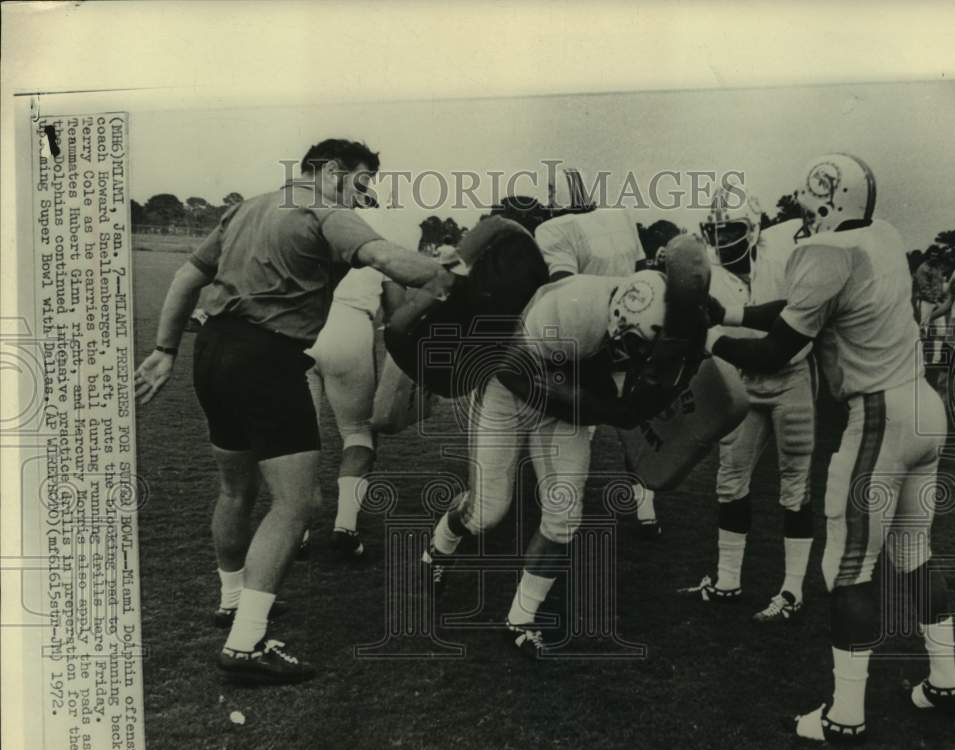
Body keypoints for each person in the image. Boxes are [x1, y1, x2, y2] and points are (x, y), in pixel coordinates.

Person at [135, 138, 454, 684]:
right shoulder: (325, 208)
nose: (365, 191)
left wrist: (166, 350)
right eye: (360, 179)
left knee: (236, 490)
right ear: (329, 172)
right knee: (298, 501)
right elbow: (385, 258)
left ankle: (232, 600)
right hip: (266, 359)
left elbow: (189, 277)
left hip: (213, 354)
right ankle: (246, 644)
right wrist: (450, 273)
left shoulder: (247, 207)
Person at [703, 153, 955, 743]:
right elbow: (801, 311)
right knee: (912, 552)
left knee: (846, 568)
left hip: (880, 416)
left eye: (805, 203)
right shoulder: (884, 236)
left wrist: (714, 336)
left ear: (826, 199)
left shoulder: (824, 253)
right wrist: (736, 311)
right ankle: (944, 680)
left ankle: (844, 715)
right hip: (924, 407)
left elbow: (776, 350)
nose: (801, 214)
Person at [423, 235, 711, 657]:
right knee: (487, 511)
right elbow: (509, 369)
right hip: (515, 383)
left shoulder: (679, 311)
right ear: (616, 324)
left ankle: (520, 618)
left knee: (563, 514)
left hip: (571, 388)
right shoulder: (571, 308)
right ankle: (442, 543)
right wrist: (593, 408)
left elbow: (674, 371)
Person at [679, 187, 815, 623]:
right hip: (742, 382)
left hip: (791, 376)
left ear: (754, 230)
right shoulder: (712, 275)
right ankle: (727, 581)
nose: (722, 239)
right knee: (730, 480)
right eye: (715, 230)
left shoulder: (786, 248)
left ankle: (792, 590)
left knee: (795, 487)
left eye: (731, 229)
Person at [533, 198, 667, 537]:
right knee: (633, 424)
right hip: (636, 334)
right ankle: (644, 505)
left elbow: (564, 287)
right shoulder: (619, 216)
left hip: (592, 338)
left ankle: (561, 510)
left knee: (580, 423)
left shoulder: (553, 230)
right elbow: (642, 273)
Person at [303, 205, 415, 560]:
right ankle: (345, 526)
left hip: (299, 325)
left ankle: (296, 529)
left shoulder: (316, 217)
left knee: (296, 436)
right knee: (358, 431)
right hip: (349, 325)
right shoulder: (396, 225)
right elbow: (396, 309)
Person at [927, 249, 955, 447]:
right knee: (942, 382)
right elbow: (950, 303)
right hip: (951, 338)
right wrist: (929, 318)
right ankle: (938, 430)